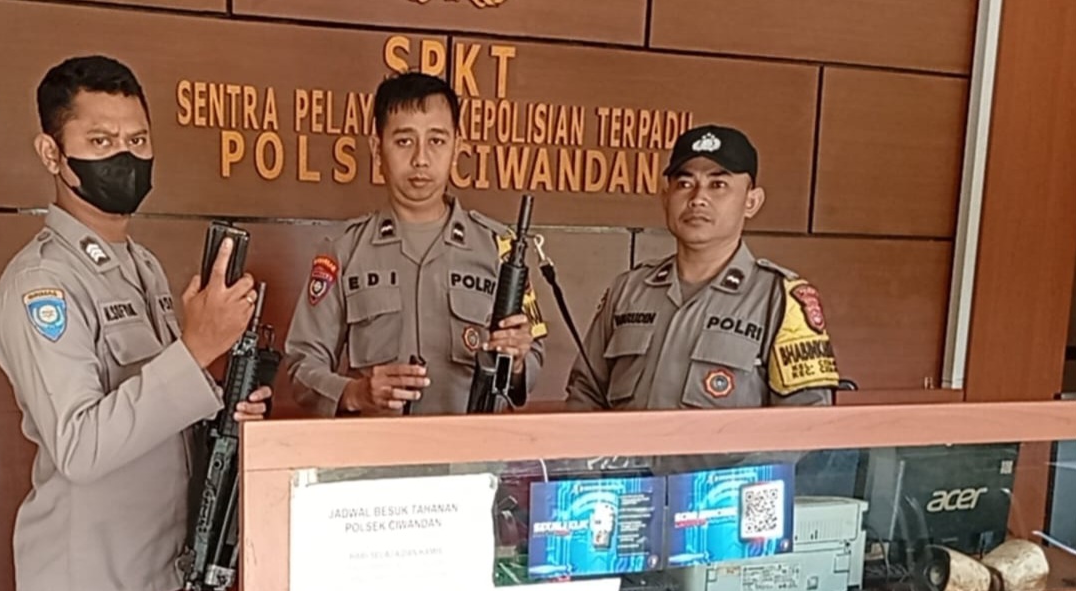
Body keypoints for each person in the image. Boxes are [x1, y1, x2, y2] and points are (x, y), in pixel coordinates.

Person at [0, 55, 270, 591]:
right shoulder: (42, 287)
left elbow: (153, 405)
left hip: (158, 572)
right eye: (101, 140)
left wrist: (220, 406)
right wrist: (194, 352)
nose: (126, 157)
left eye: (137, 140)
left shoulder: (137, 266)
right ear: (52, 153)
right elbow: (80, 444)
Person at [283, 71, 548, 417]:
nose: (421, 159)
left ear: (457, 147)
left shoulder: (501, 250)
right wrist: (354, 393)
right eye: (404, 141)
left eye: (436, 140)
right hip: (376, 449)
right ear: (377, 148)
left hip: (475, 446)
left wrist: (517, 362)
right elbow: (302, 365)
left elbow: (533, 356)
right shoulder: (344, 251)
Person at [565, 124, 840, 412]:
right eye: (685, 184)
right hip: (625, 445)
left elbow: (806, 422)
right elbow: (585, 395)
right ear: (665, 199)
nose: (697, 198)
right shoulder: (628, 290)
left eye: (717, 185)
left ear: (751, 202)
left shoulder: (780, 300)